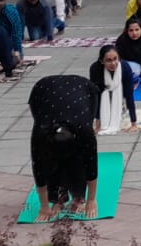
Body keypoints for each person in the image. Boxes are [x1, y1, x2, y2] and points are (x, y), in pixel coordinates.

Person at [28, 75, 100, 221]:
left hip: (85, 89)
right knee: (50, 164)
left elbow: (91, 164)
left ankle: (78, 197)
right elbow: (39, 170)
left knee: (78, 161)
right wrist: (44, 206)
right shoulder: (41, 133)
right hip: (41, 90)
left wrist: (91, 200)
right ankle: (58, 197)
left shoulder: (84, 131)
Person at [89, 45, 138, 135]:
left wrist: (133, 124)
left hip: (121, 89)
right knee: (99, 95)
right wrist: (98, 124)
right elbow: (96, 96)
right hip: (104, 91)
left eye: (115, 59)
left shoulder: (125, 67)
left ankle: (121, 108)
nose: (113, 63)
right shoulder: (95, 69)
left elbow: (129, 96)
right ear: (102, 61)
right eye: (109, 60)